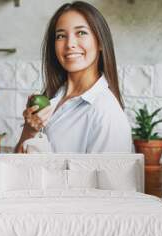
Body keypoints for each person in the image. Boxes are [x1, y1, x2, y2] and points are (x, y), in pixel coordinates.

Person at [15, 1, 132, 153]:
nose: (69, 44)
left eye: (81, 33)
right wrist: (29, 131)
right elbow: (16, 166)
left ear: (100, 43)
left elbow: (106, 177)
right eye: (61, 36)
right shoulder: (53, 98)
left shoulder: (107, 114)